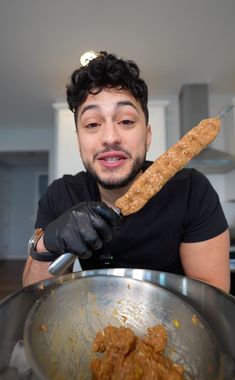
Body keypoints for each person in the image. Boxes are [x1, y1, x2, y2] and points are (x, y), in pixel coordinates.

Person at [22, 51, 230, 292]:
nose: (110, 138)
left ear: (148, 136)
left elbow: (211, 296)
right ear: (79, 140)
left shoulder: (191, 190)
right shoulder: (61, 194)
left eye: (126, 121)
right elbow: (35, 293)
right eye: (92, 124)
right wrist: (46, 245)